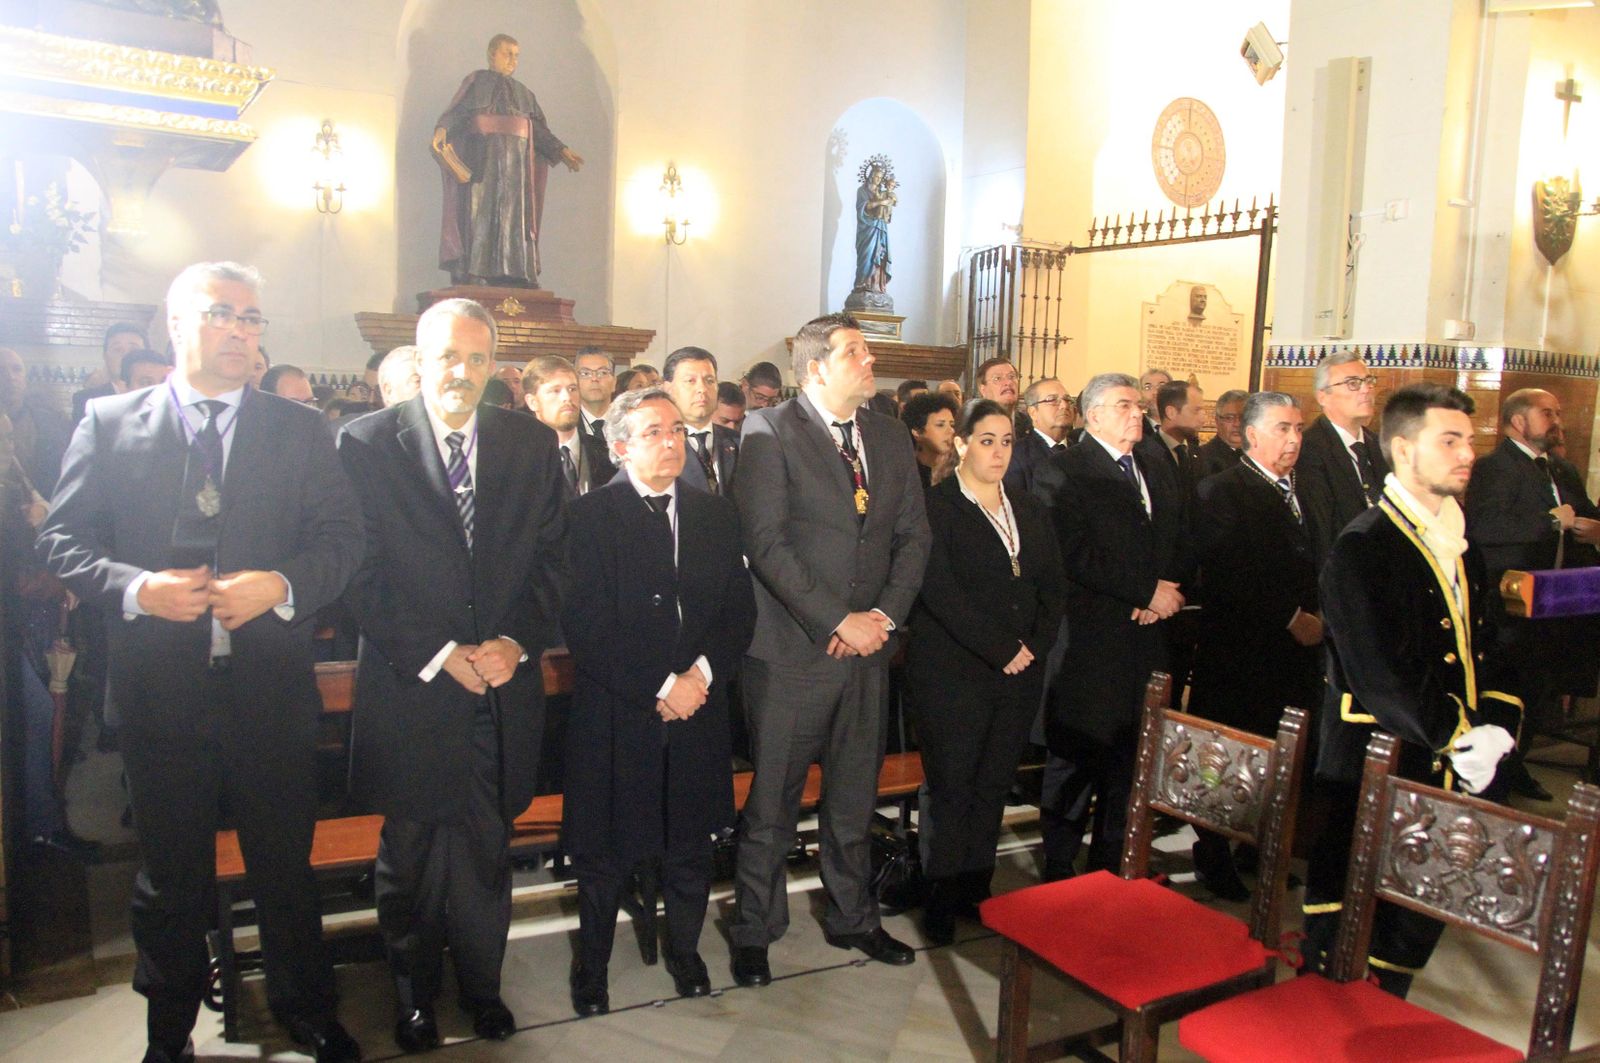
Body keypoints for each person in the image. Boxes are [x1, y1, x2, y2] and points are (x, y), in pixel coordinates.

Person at [37, 261, 366, 1063]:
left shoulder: (295, 427)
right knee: (171, 877)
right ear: (177, 324)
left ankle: (305, 1005)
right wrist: (137, 587)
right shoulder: (112, 423)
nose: (243, 332)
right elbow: (62, 542)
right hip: (163, 696)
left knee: (284, 866)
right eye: (224, 314)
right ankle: (168, 1029)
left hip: (266, 690)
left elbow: (344, 543)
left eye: (254, 319)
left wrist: (280, 585)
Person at [337, 298, 568, 1052]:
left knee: (484, 855)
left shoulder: (531, 444)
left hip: (501, 691)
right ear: (420, 358)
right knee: (408, 860)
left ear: (494, 366)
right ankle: (410, 995)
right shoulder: (366, 443)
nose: (460, 373)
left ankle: (482, 986)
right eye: (446, 357)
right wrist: (442, 653)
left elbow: (555, 562)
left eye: (476, 359)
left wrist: (514, 642)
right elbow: (358, 575)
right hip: (413, 687)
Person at [729, 311, 931, 985]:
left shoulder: (890, 434)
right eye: (855, 352)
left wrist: (881, 616)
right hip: (793, 652)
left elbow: (913, 538)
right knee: (773, 803)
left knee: (852, 795)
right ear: (815, 366)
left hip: (870, 649)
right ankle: (756, 928)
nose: (871, 361)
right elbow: (766, 544)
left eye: (868, 351)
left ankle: (853, 915)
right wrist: (835, 619)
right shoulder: (770, 429)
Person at [1303, 382, 1522, 998]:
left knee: (1415, 925)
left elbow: (1488, 644)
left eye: (1469, 440)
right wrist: (1459, 737)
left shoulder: (1460, 540)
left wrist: (1499, 727)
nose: (1467, 453)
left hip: (1454, 762)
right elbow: (1378, 673)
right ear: (1402, 449)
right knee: (1353, 938)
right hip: (1382, 763)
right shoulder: (1364, 547)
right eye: (1448, 440)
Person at [562, 387, 756, 1015]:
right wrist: (660, 684)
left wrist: (699, 675)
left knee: (690, 847)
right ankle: (591, 969)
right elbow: (586, 626)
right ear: (619, 446)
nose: (671, 442)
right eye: (652, 432)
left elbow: (737, 613)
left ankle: (686, 952)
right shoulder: (587, 518)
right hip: (619, 714)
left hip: (696, 713)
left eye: (675, 430)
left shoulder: (715, 515)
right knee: (606, 856)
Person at [907, 399, 1065, 944]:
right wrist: (1000, 647)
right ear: (962, 444)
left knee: (993, 783)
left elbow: (1052, 585)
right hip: (956, 671)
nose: (997, 451)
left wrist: (1035, 646)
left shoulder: (1028, 505)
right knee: (953, 787)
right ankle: (939, 898)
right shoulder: (936, 507)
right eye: (987, 440)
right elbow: (939, 591)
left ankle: (976, 887)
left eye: (1006, 442)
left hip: (1019, 672)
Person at [1038, 372, 1191, 875]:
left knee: (1131, 760)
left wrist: (1162, 589)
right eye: (1125, 405)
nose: (1138, 413)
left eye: (1139, 405)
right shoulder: (1063, 469)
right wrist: (1142, 590)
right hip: (1091, 642)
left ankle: (1113, 867)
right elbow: (1072, 553)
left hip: (1147, 636)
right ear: (1095, 414)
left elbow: (1174, 532)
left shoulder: (1152, 463)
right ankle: (1059, 870)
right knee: (1076, 763)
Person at [1187, 392, 1322, 901]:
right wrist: (1290, 618)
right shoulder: (1222, 490)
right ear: (1251, 434)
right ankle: (1213, 852)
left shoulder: (1301, 489)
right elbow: (1230, 570)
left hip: (1295, 652)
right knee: (1228, 753)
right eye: (1283, 428)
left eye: (1299, 429)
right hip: (1241, 651)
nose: (1293, 439)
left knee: (1279, 754)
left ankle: (1258, 846)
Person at [1463, 388, 1600, 802]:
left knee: (1540, 689)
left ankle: (1519, 762)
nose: (1556, 419)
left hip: (1557, 601)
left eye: (1557, 411)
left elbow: (1586, 513)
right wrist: (1549, 522)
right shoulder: (1494, 468)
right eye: (1546, 412)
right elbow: (1485, 528)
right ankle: (1498, 774)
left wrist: (1593, 529)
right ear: (1518, 421)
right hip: (1509, 603)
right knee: (1508, 690)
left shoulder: (1561, 470)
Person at [433, 33, 584, 287]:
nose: (513, 60)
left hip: (517, 170)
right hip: (483, 163)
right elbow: (457, 113)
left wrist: (561, 150)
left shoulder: (525, 94)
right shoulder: (476, 83)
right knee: (480, 216)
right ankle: (476, 271)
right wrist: (442, 129)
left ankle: (516, 273)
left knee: (515, 220)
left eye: (516, 55)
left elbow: (538, 130)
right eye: (507, 53)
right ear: (492, 54)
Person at [1299, 351, 1387, 569]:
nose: (1366, 390)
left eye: (1368, 381)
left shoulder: (1378, 445)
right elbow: (1321, 529)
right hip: (1342, 568)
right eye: (1352, 383)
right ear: (1323, 396)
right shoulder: (1309, 449)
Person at [522, 353, 613, 497]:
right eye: (555, 391)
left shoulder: (607, 453)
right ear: (533, 402)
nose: (567, 397)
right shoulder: (519, 459)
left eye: (572, 389)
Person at [662, 346, 738, 495]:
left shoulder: (739, 443)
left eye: (709, 381)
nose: (702, 389)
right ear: (668, 389)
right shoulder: (659, 445)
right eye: (690, 381)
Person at [0, 347, 71, 500]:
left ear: (25, 378)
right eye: (1, 370)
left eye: (17, 369)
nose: (10, 377)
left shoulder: (51, 422)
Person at [1006, 377, 1074, 498]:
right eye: (1052, 400)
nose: (1064, 405)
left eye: (1067, 399)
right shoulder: (1017, 455)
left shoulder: (1081, 450)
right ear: (1033, 412)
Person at [71, 322, 148, 421]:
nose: (126, 356)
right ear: (105, 356)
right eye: (118, 350)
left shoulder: (159, 398)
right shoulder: (87, 400)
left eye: (134, 350)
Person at [901, 390, 958, 491]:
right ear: (917, 432)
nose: (951, 431)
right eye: (940, 425)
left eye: (952, 425)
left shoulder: (958, 471)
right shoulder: (907, 474)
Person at [1198, 388, 1247, 478]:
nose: (1237, 424)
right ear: (1217, 421)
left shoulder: (1262, 459)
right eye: (1229, 418)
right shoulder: (1202, 458)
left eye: (1243, 418)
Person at [574, 347, 615, 444]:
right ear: (574, 382)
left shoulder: (630, 421)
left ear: (614, 382)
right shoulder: (566, 425)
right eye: (585, 373)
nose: (594, 378)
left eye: (602, 373)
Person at [1137, 367, 1172, 438]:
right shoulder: (1135, 427)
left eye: (1162, 386)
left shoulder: (1184, 426)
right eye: (1148, 387)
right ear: (1140, 394)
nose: (1155, 392)